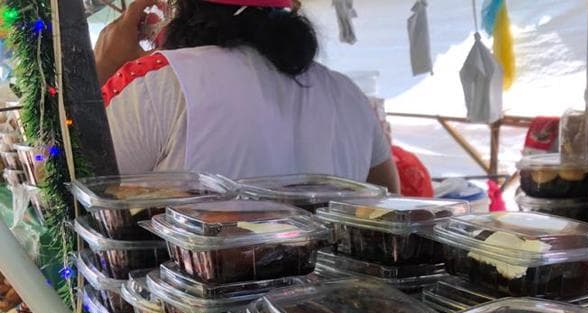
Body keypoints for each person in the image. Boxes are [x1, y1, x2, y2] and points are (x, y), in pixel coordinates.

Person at [94, 0, 400, 190]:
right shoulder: (348, 95)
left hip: (189, 292)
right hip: (325, 293)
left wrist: (101, 69)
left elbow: (70, 193)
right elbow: (386, 205)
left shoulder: (159, 82)